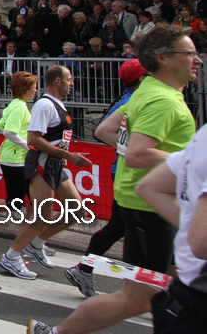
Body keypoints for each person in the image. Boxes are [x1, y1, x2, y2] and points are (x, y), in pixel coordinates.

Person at [29, 24, 200, 334]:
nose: (198, 59)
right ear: (163, 57)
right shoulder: (162, 100)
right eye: (190, 53)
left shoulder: (148, 90)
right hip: (151, 208)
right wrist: (194, 162)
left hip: (150, 202)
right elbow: (138, 154)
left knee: (178, 288)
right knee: (137, 298)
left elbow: (106, 130)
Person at [64, 58, 147, 298]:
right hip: (129, 173)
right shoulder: (130, 102)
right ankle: (144, 290)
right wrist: (133, 151)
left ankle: (84, 269)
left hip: (129, 172)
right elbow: (103, 131)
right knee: (136, 229)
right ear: (142, 79)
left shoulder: (133, 99)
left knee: (118, 227)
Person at [0, 65, 91, 280]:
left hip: (55, 164)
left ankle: (36, 243)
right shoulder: (44, 104)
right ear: (58, 81)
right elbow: (33, 139)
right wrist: (67, 155)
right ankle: (11, 257)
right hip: (42, 164)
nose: (72, 83)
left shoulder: (58, 104)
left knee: (78, 210)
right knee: (41, 216)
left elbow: (54, 137)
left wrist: (64, 154)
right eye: (69, 79)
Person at [136, 123, 207, 333]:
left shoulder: (202, 136)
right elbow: (201, 242)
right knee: (132, 297)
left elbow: (149, 187)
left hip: (186, 297)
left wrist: (194, 225)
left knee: (132, 298)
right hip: (197, 299)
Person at [0, 71, 38, 212]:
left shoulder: (14, 105)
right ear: (25, 89)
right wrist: (29, 146)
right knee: (15, 203)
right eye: (34, 87)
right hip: (15, 160)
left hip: (16, 158)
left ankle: (33, 225)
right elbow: (8, 132)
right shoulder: (19, 107)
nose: (36, 90)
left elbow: (1, 125)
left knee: (34, 199)